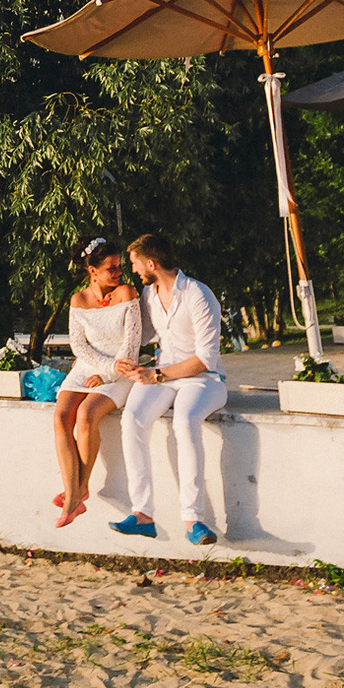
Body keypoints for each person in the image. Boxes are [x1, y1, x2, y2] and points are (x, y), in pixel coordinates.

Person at [109, 234, 227, 546]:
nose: (133, 271)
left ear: (151, 263)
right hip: (163, 375)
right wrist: (121, 361)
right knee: (132, 418)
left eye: (135, 264)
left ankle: (193, 519)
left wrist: (156, 375)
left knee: (185, 422)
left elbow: (205, 358)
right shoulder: (149, 294)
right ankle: (143, 515)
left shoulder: (199, 295)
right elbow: (143, 334)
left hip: (205, 380)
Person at [50, 238, 140, 529]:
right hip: (86, 368)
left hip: (121, 370)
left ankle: (76, 494)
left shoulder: (127, 293)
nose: (118, 273)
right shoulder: (78, 300)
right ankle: (75, 490)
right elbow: (79, 346)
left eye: (119, 267)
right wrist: (100, 367)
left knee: (86, 415)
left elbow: (132, 344)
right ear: (92, 270)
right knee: (62, 416)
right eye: (111, 268)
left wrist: (111, 371)